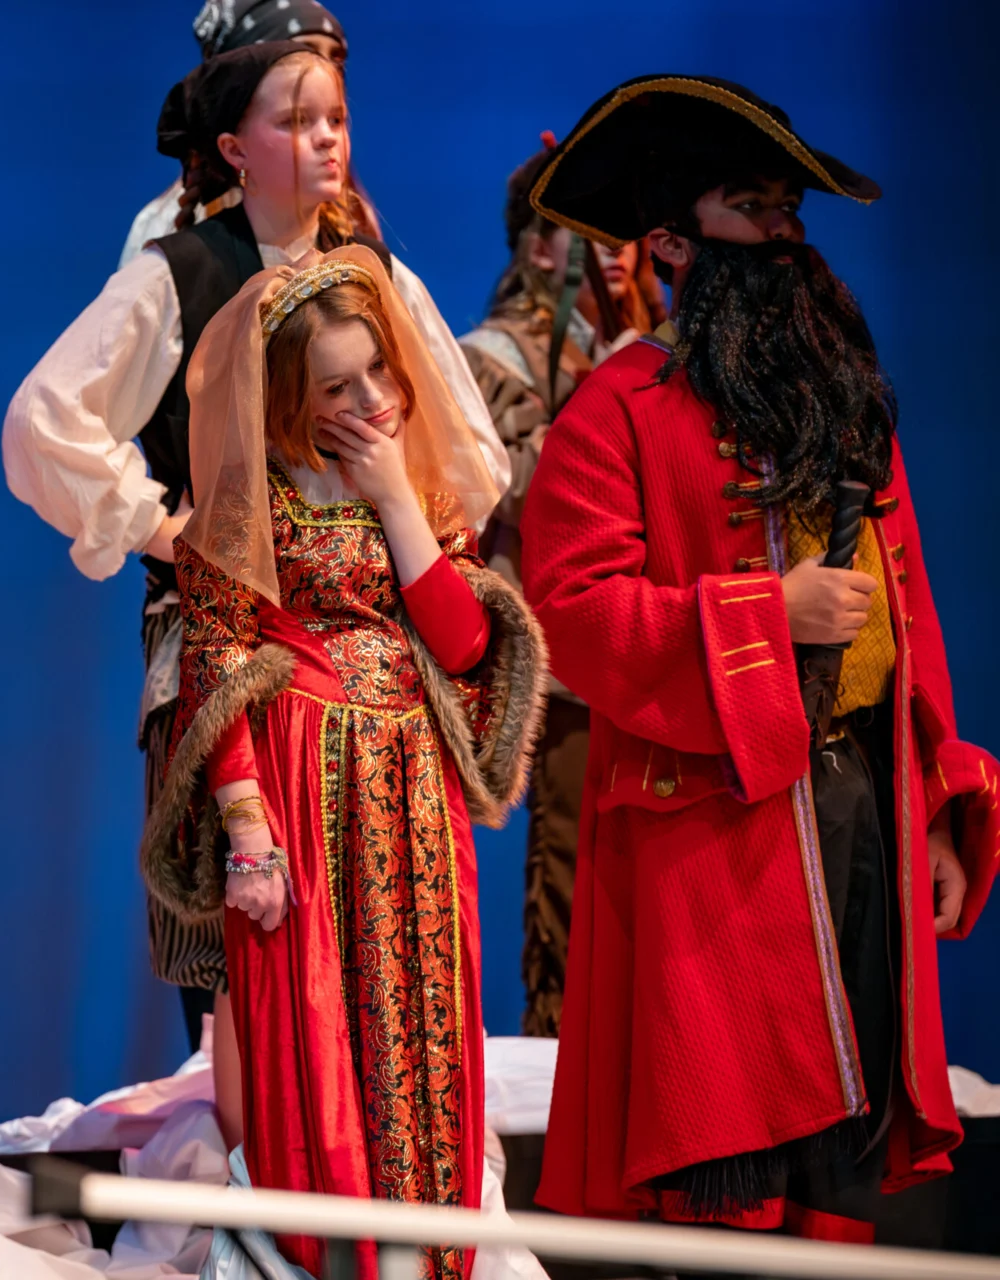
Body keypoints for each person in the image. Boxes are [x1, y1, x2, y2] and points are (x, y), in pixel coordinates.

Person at [3, 41, 510, 1144]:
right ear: (235, 147)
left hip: (369, 674)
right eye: (297, 119)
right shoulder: (180, 270)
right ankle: (268, 1192)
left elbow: (467, 456)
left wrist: (397, 513)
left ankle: (386, 1195)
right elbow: (46, 419)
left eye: (335, 116)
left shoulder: (374, 273)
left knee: (384, 967)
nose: (327, 138)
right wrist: (166, 525)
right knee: (248, 967)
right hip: (238, 660)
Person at [523, 75, 998, 1241]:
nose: (787, 235)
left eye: (792, 209)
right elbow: (575, 610)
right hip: (714, 833)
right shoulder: (616, 410)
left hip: (861, 807)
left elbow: (912, 612)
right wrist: (760, 613)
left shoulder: (843, 401)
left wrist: (936, 800)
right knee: (733, 1173)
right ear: (677, 239)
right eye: (755, 207)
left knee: (847, 1154)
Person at [144, 246, 544, 1278]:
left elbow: (460, 644)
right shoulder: (246, 511)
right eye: (336, 384)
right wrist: (246, 834)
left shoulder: (410, 488)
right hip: (299, 784)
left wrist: (396, 498)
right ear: (286, 397)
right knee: (319, 1025)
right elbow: (220, 662)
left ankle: (431, 1251)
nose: (369, 396)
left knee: (424, 1016)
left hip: (413, 786)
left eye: (377, 370)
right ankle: (338, 1256)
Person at [457, 138, 659, 1038]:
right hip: (551, 640)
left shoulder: (652, 346)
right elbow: (526, 490)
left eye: (624, 232)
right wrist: (617, 379)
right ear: (538, 246)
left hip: (641, 639)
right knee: (566, 857)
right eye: (583, 231)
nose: (611, 249)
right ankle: (555, 1048)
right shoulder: (490, 358)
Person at [120, 0, 349, 267]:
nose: (327, 72)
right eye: (301, 54)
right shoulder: (167, 230)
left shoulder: (350, 221)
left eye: (336, 59)